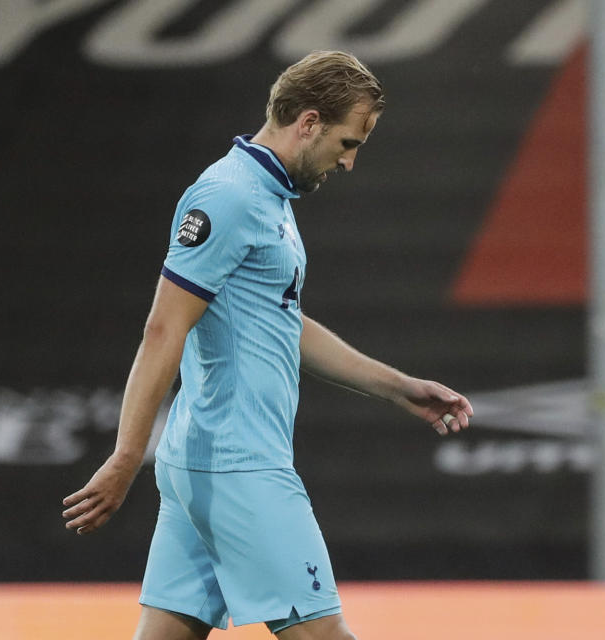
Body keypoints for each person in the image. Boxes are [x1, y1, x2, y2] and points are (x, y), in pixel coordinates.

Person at [62, 50, 473, 640]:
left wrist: (397, 387)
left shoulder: (268, 196)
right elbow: (163, 328)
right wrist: (128, 456)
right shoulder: (228, 196)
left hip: (204, 464)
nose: (350, 161)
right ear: (308, 122)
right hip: (240, 468)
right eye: (348, 142)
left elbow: (282, 320)